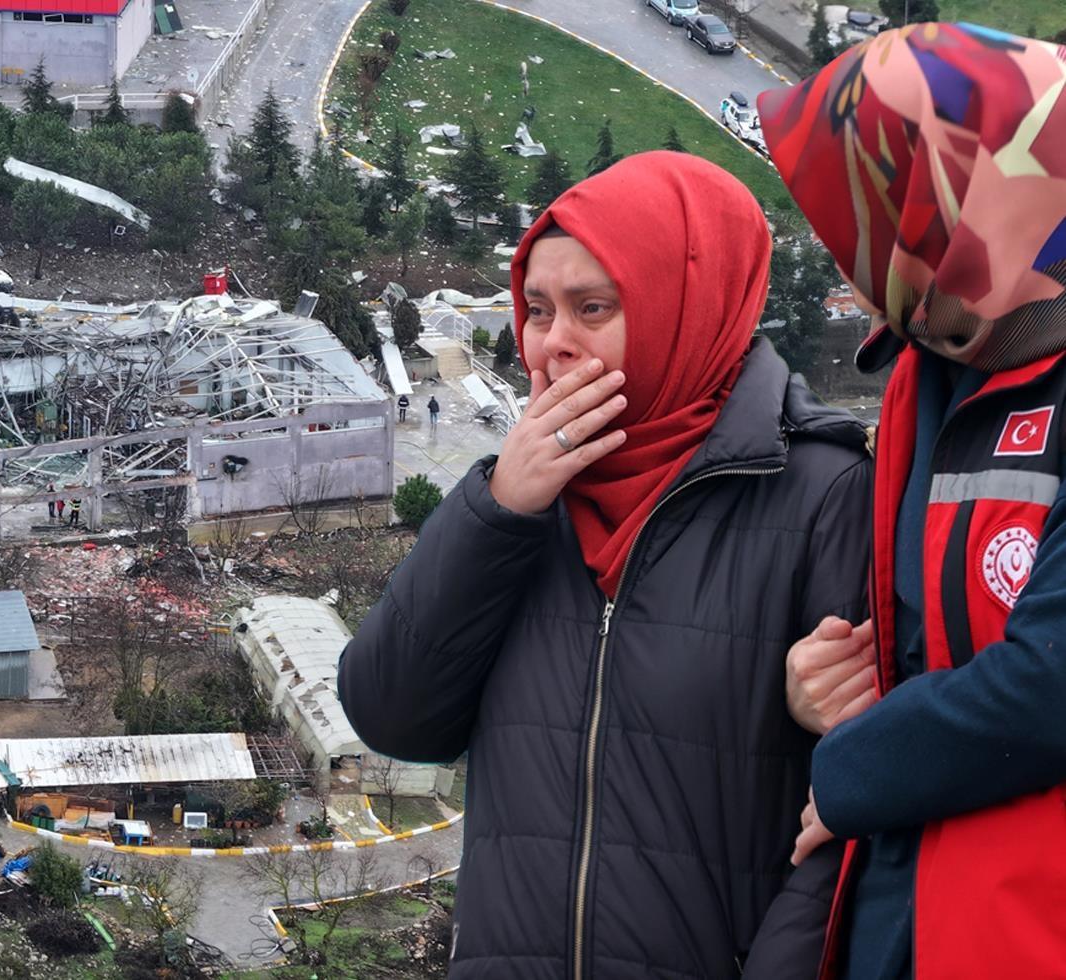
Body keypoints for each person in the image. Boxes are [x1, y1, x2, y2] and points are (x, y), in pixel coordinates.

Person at [338, 151, 873, 978]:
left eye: (594, 307)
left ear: (684, 306)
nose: (553, 345)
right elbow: (392, 716)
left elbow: (853, 828)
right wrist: (496, 512)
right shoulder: (522, 500)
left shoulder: (821, 494)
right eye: (538, 309)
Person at [758, 24, 1066, 979]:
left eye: (884, 217)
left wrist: (854, 770)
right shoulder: (935, 367)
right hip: (914, 916)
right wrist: (830, 682)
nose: (856, 264)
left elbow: (1047, 684)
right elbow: (925, 635)